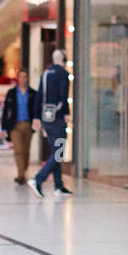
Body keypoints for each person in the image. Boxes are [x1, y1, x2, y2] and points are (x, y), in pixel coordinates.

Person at [29, 49, 71, 198]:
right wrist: (66, 113)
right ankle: (38, 179)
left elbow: (39, 96)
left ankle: (58, 186)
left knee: (55, 151)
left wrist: (36, 117)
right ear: (64, 60)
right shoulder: (64, 74)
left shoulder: (46, 74)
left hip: (46, 119)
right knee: (59, 152)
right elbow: (63, 96)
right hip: (58, 119)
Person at [1, 68, 37, 184]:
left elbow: (36, 110)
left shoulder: (32, 93)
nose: (22, 79)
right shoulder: (11, 93)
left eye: (24, 77)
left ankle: (23, 172)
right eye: (20, 77)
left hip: (27, 125)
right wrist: (4, 127)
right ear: (17, 78)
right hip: (15, 126)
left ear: (27, 78)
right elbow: (6, 110)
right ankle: (21, 175)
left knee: (26, 151)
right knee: (19, 151)